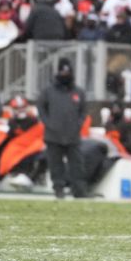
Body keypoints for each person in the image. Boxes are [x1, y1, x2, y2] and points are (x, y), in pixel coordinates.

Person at [39, 58, 89, 199]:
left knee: (77, 165)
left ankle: (79, 191)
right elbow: (41, 108)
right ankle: (58, 189)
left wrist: (78, 124)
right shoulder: (48, 91)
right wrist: (49, 123)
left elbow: (83, 111)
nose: (65, 74)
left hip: (73, 135)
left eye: (67, 71)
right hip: (53, 135)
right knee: (56, 165)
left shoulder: (78, 92)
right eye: (62, 71)